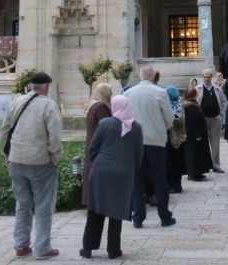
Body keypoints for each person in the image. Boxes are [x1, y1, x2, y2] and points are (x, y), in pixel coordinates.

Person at [0, 71, 63, 260]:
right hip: (39, 162)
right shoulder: (49, 105)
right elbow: (55, 136)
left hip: (17, 160)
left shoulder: (17, 102)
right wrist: (55, 157)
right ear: (46, 86)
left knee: (22, 204)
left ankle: (21, 245)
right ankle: (42, 248)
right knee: (43, 206)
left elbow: (5, 130)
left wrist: (6, 154)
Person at [80, 95, 144, 260]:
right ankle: (113, 249)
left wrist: (98, 163)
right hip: (123, 173)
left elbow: (93, 148)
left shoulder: (105, 123)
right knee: (116, 211)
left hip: (101, 170)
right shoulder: (136, 127)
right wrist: (131, 170)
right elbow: (139, 155)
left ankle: (88, 248)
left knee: (95, 209)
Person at [124, 65, 176, 228]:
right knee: (160, 179)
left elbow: (124, 119)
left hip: (135, 142)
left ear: (140, 76)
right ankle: (164, 217)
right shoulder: (160, 92)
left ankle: (138, 217)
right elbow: (169, 118)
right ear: (154, 76)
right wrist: (161, 128)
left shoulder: (128, 93)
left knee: (137, 180)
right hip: (156, 142)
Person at [82, 82, 113, 209]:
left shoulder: (94, 105)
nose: (112, 94)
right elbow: (107, 125)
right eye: (110, 91)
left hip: (94, 142)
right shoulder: (100, 106)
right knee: (97, 172)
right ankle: (97, 201)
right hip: (99, 144)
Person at [196, 68, 227, 173]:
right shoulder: (197, 89)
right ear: (202, 77)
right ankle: (203, 165)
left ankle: (216, 165)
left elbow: (224, 102)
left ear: (211, 77)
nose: (206, 79)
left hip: (215, 119)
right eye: (204, 77)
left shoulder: (217, 89)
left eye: (208, 77)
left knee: (215, 143)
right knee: (202, 143)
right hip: (203, 119)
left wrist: (221, 115)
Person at [182, 86, 214, 181]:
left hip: (193, 134)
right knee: (194, 154)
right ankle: (193, 173)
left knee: (197, 154)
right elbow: (193, 121)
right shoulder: (190, 106)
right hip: (193, 136)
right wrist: (198, 135)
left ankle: (198, 172)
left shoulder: (189, 104)